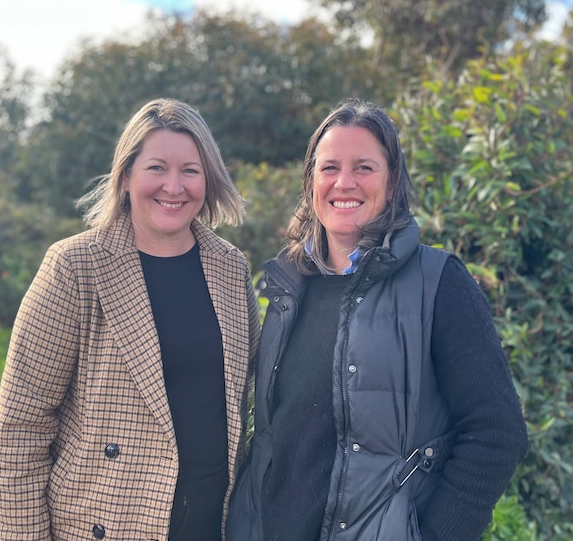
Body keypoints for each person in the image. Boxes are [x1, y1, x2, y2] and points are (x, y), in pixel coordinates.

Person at [226, 99, 528, 541]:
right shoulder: (288, 287)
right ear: (311, 182)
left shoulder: (438, 282)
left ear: (391, 184)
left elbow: (497, 431)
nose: (343, 182)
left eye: (364, 167)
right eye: (329, 168)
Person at [0, 98, 260, 541]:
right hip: (108, 525)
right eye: (157, 167)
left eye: (190, 170)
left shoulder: (230, 267)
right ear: (127, 174)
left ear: (207, 180)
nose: (174, 186)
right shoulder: (75, 267)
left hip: (214, 523)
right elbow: (21, 428)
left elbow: (249, 391)